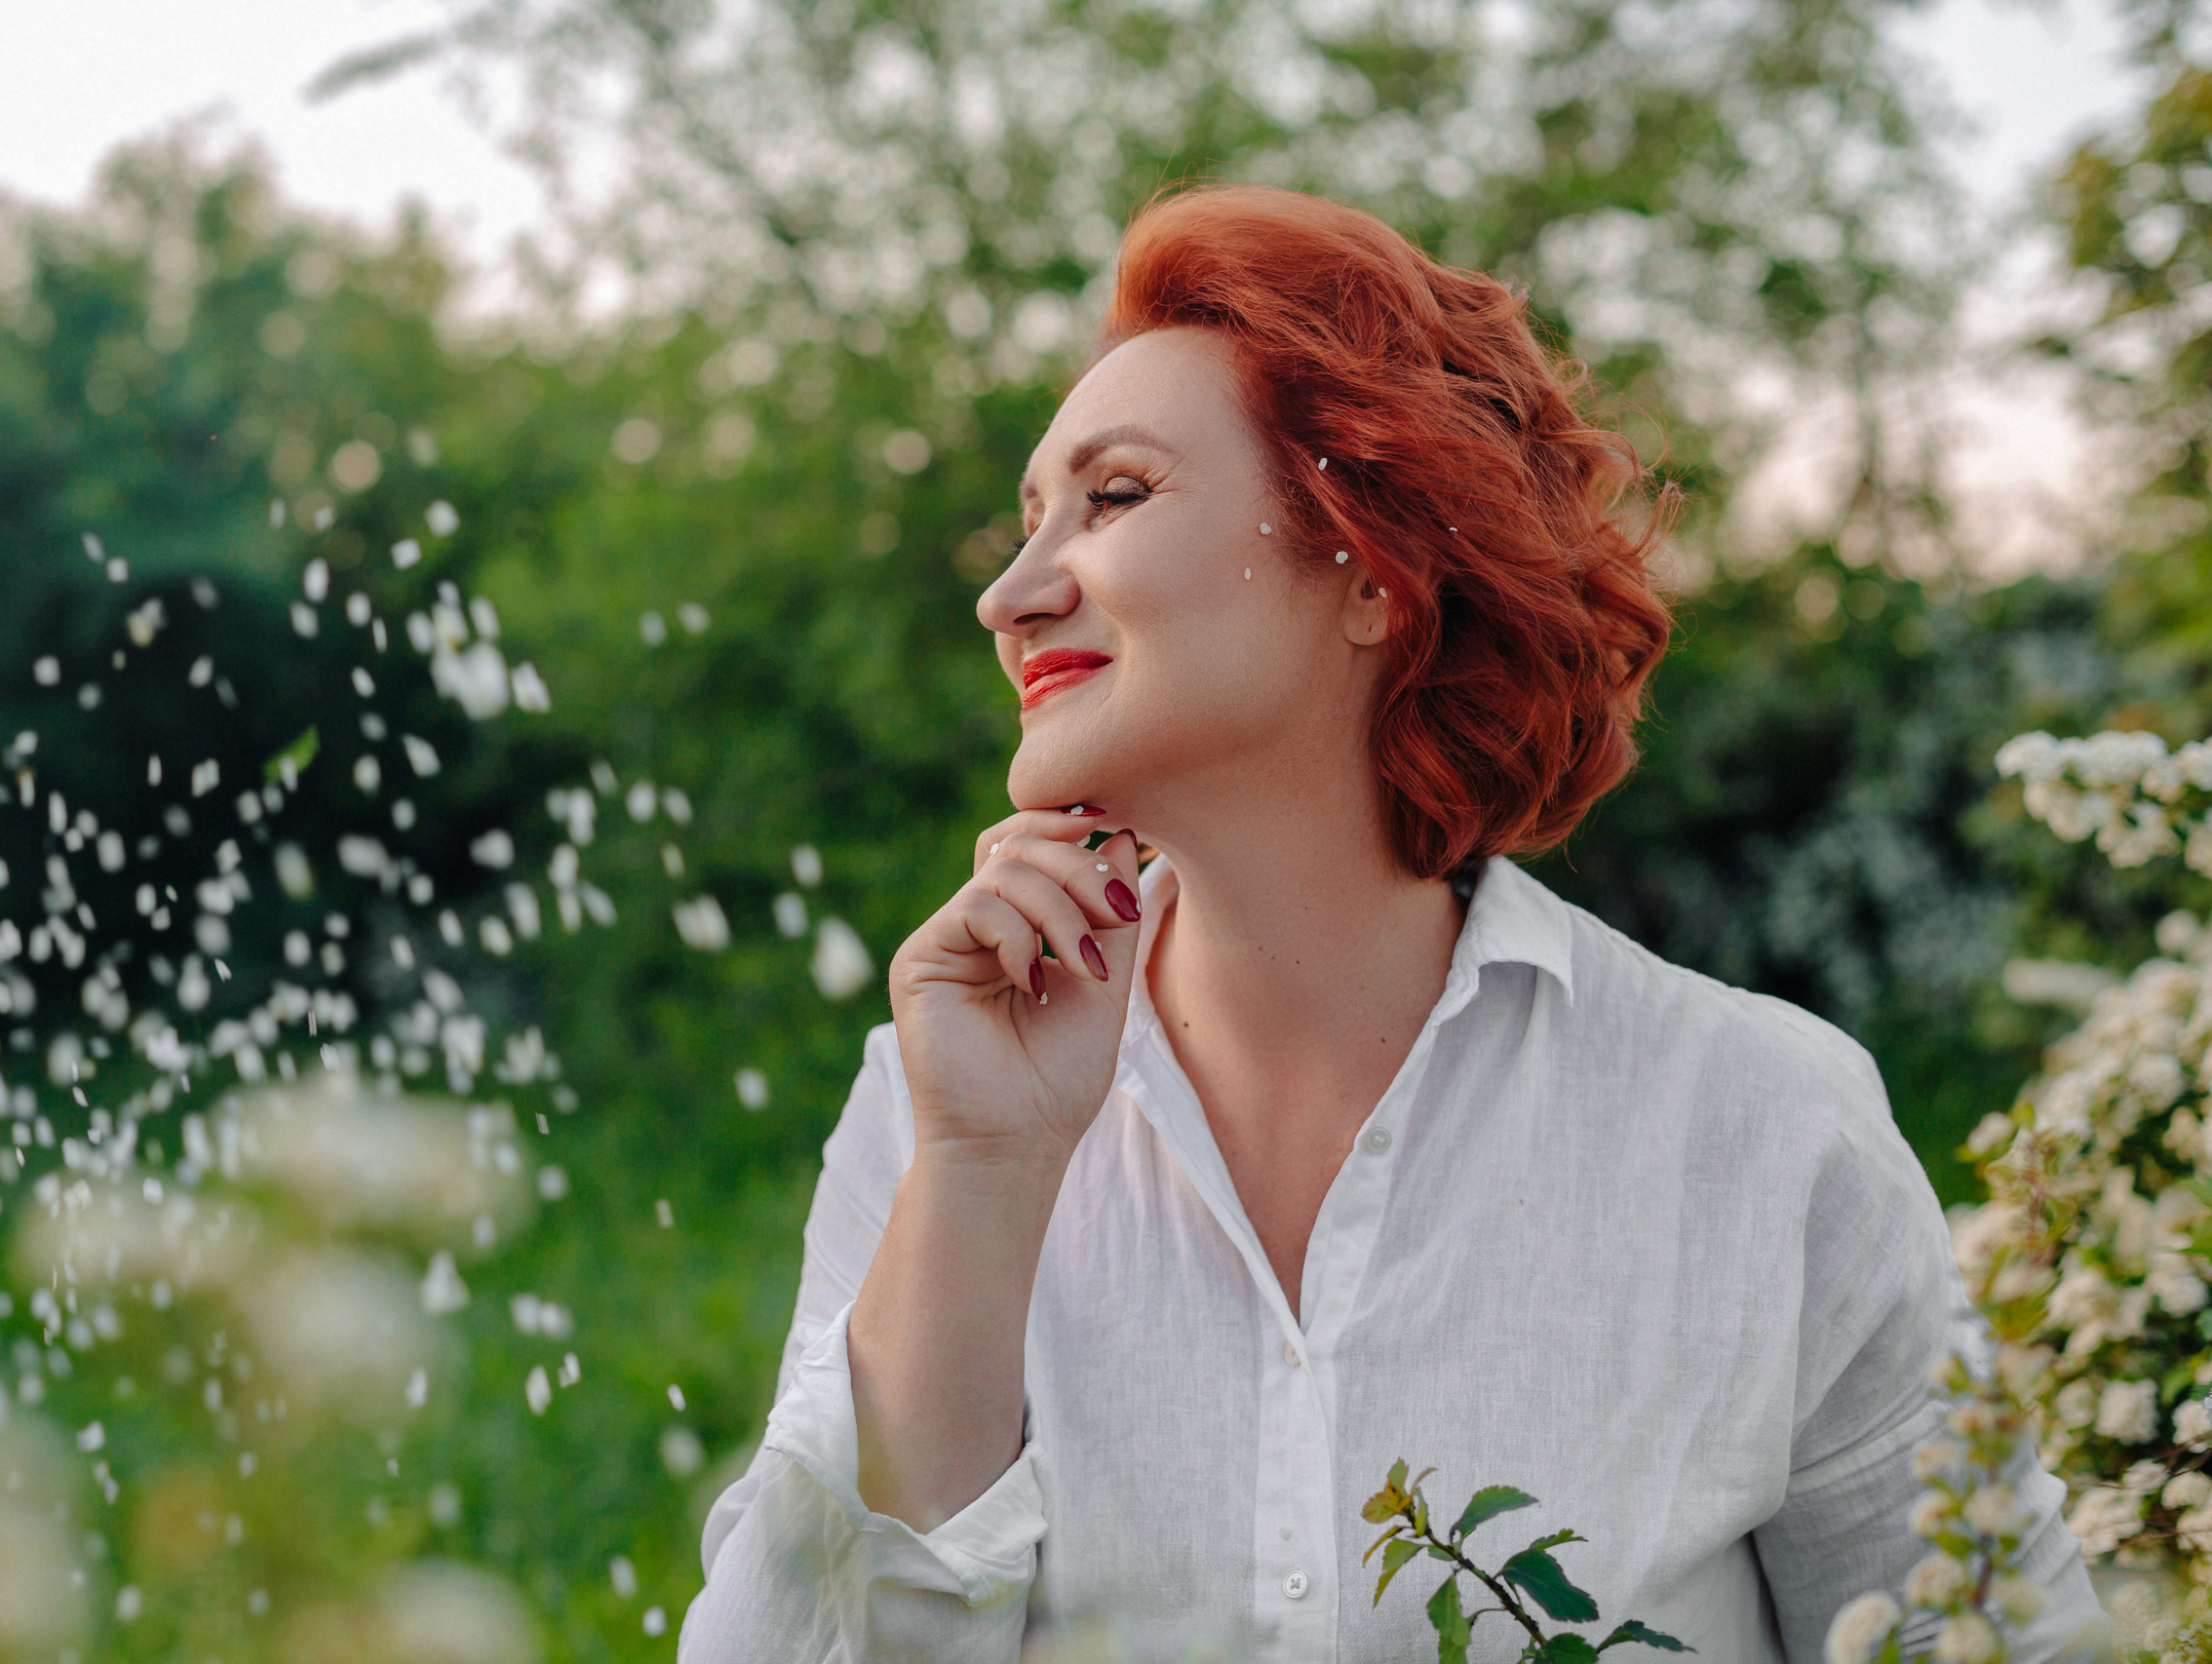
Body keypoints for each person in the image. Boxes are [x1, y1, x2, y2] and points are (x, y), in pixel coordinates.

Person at [677, 183, 2102, 1664]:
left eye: (1113, 498)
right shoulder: (931, 1114)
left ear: (1374, 563)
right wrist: (983, 1169)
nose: (1008, 596)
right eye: (1029, 520)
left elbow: (1998, 1641)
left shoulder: (1763, 1127)